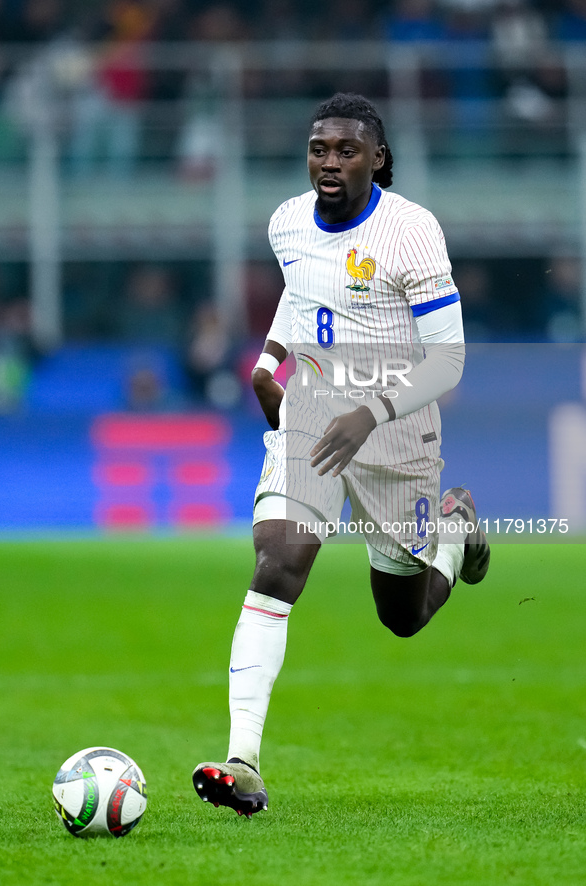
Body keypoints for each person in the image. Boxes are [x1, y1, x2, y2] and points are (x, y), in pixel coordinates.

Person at [193, 92, 490, 818]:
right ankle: (243, 760)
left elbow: (447, 359)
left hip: (396, 427)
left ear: (377, 160)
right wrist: (268, 362)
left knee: (403, 614)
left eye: (346, 150)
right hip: (317, 412)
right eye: (319, 148)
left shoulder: (411, 232)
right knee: (278, 560)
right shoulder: (287, 220)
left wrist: (375, 412)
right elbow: (300, 297)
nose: (329, 161)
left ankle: (453, 537)